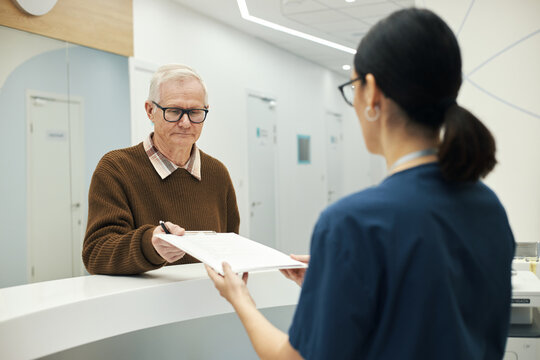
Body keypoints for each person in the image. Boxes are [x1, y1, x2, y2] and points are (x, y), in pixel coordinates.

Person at [206, 8, 515, 360]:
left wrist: (240, 299)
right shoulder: (488, 207)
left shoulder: (354, 222)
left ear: (371, 93)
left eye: (352, 87)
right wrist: (337, 280)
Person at [83, 64, 239, 275]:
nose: (185, 123)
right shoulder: (116, 169)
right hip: (143, 306)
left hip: (210, 303)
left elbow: (230, 251)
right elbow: (96, 254)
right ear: (150, 111)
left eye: (195, 112)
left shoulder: (217, 174)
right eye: (174, 111)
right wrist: (150, 245)